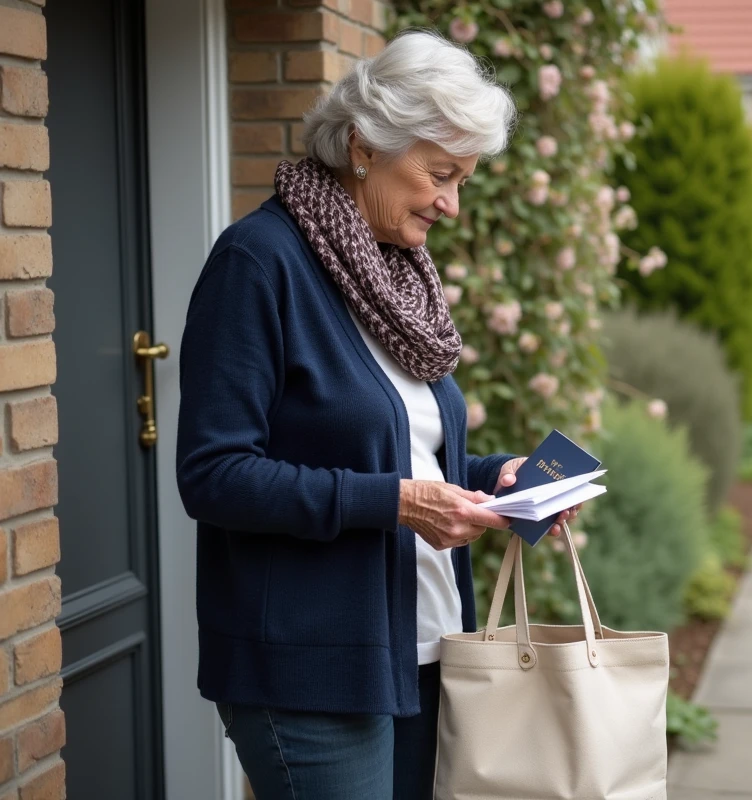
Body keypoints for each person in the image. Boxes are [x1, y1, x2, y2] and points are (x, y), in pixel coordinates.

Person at [176, 29, 579, 800]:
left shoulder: (395, 279)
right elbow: (215, 475)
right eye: (440, 174)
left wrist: (498, 479)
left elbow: (404, 455)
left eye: (464, 179)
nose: (452, 204)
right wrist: (394, 504)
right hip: (314, 672)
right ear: (364, 145)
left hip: (423, 653)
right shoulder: (260, 264)